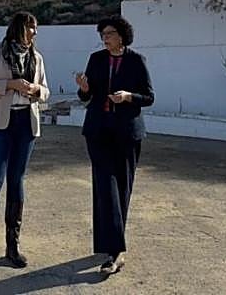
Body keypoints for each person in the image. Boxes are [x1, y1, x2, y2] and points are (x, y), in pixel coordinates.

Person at [0, 11, 50, 281]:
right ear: (19, 28)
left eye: (36, 29)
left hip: (26, 124)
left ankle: (12, 247)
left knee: (17, 183)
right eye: (31, 28)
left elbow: (46, 90)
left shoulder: (36, 58)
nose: (34, 33)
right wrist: (10, 85)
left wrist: (35, 91)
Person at [74, 15, 154, 276]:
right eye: (102, 35)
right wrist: (84, 88)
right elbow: (87, 96)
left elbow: (149, 97)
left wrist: (128, 96)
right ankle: (114, 251)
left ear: (121, 35)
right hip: (98, 130)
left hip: (127, 133)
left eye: (108, 33)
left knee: (122, 189)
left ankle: (112, 247)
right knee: (105, 187)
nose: (104, 38)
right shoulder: (96, 59)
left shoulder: (136, 60)